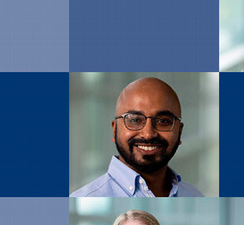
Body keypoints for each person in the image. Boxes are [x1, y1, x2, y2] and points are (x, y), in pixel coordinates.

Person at [70, 77, 203, 197]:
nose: (148, 134)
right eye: (134, 120)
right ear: (114, 129)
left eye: (163, 121)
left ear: (179, 132)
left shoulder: (194, 195)